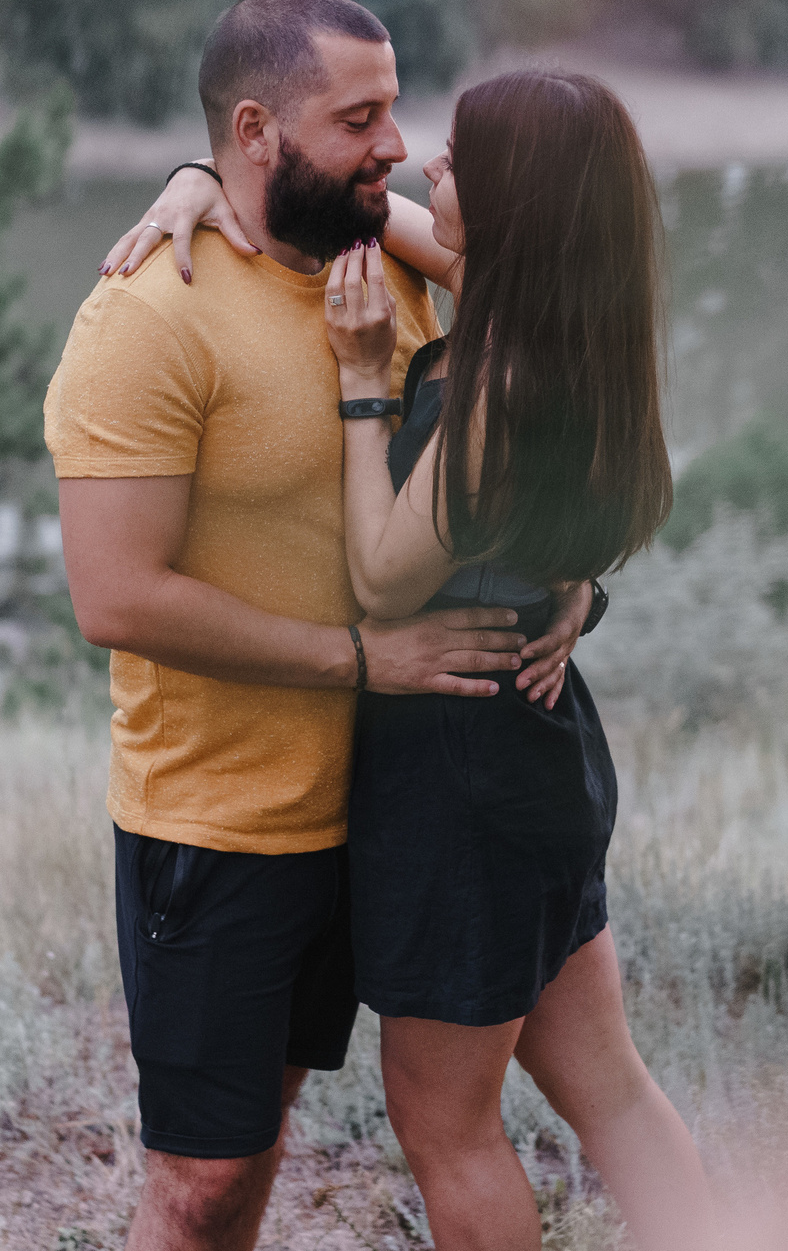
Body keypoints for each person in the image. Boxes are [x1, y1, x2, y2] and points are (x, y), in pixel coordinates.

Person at [111, 68, 716, 1251]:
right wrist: (201, 174)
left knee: (450, 1129)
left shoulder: (499, 373)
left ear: (511, 204)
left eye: (456, 161)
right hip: (543, 755)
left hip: (459, 776)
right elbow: (349, 203)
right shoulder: (562, 315)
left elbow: (387, 579)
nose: (421, 168)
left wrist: (357, 382)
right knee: (615, 1095)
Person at [44, 0, 590, 1251]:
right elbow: (113, 595)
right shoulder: (148, 319)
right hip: (227, 821)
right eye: (360, 118)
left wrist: (579, 570)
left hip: (399, 810)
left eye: (393, 110)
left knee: (276, 1138)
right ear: (257, 129)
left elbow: (572, 319)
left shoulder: (385, 255)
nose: (394, 144)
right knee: (204, 1181)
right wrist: (360, 658)